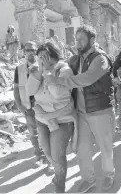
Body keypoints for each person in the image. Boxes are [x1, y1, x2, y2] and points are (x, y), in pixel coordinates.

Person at [45, 25, 116, 192]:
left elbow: (87, 79)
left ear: (92, 40)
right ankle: (88, 179)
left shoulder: (101, 59)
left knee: (105, 147)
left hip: (100, 111)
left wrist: (58, 81)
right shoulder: (76, 60)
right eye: (76, 40)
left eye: (81, 39)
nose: (77, 43)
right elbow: (61, 67)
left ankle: (108, 175)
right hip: (82, 113)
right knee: (83, 149)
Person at [26, 41, 77, 193]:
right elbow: (29, 91)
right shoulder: (38, 70)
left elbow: (58, 94)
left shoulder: (64, 70)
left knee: (57, 155)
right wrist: (37, 73)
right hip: (42, 120)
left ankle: (60, 185)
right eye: (39, 57)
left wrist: (48, 72)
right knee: (48, 153)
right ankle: (57, 174)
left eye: (45, 56)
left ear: (54, 56)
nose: (42, 60)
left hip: (62, 120)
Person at [13, 41, 48, 167]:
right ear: (23, 52)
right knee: (33, 133)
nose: (31, 52)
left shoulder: (43, 66)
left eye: (33, 50)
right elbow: (16, 89)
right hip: (28, 106)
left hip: (42, 105)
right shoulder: (19, 69)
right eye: (27, 50)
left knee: (45, 130)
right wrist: (19, 105)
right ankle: (39, 155)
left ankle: (48, 157)